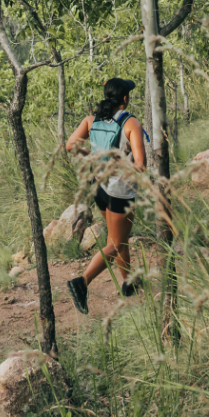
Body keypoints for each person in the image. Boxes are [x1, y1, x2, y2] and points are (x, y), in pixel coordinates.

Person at [62, 78, 146, 314]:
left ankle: (128, 283)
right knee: (116, 243)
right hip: (121, 190)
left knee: (118, 238)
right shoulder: (131, 123)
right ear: (126, 99)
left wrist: (91, 154)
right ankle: (82, 281)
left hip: (98, 186)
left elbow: (70, 145)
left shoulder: (91, 120)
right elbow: (140, 165)